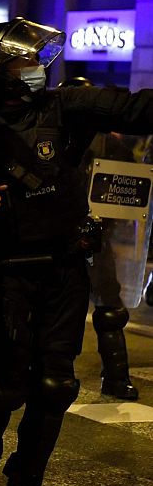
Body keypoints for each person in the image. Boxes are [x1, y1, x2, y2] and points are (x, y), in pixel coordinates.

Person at [0, 18, 153, 486]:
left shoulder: (64, 107)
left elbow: (137, 109)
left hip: (63, 270)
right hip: (3, 274)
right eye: (24, 61)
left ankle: (25, 483)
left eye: (36, 59)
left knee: (56, 385)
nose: (36, 68)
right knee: (4, 387)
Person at [57, 76, 140, 400]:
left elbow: (131, 189)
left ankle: (116, 375)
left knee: (110, 307)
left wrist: (106, 225)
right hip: (52, 239)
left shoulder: (111, 145)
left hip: (95, 237)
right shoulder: (48, 137)